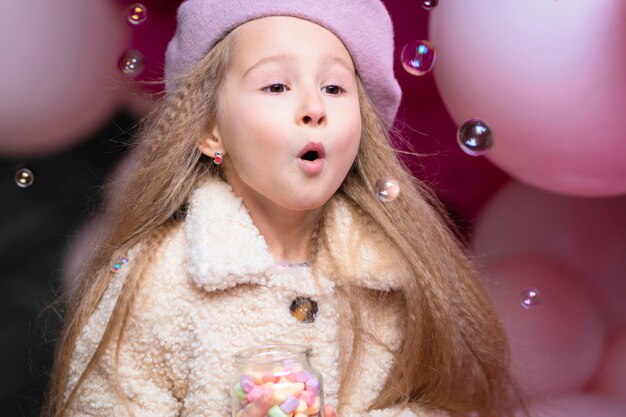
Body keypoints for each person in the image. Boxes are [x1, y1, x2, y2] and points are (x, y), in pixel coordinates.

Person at [42, 1, 523, 417]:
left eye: (335, 89)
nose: (314, 107)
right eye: (276, 86)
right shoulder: (154, 279)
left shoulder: (395, 277)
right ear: (211, 130)